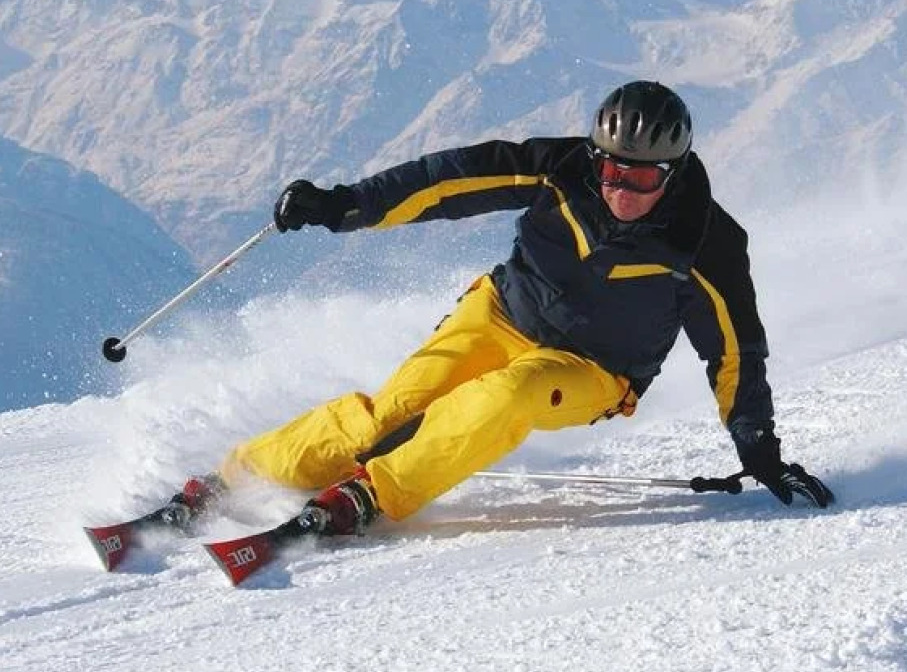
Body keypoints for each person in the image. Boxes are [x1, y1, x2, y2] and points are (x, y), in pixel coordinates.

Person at [171, 80, 833, 535]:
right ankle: (239, 476)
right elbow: (447, 180)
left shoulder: (706, 243)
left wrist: (758, 445)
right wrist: (345, 205)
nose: (621, 189)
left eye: (642, 178)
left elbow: (734, 350)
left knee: (506, 394)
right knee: (393, 413)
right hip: (499, 313)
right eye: (611, 171)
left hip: (593, 369)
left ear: (675, 171)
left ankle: (369, 497)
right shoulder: (560, 169)